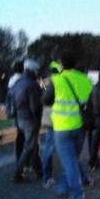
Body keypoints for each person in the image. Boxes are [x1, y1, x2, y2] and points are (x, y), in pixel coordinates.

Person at [43, 51, 94, 199]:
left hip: (61, 127)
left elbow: (45, 100)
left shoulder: (57, 80)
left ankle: (78, 194)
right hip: (79, 126)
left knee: (69, 161)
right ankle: (65, 186)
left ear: (62, 65)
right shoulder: (85, 80)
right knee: (72, 160)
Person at [10, 59, 43, 182]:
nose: (37, 73)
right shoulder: (33, 85)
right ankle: (18, 173)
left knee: (32, 145)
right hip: (30, 119)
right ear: (33, 71)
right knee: (30, 146)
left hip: (19, 118)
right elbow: (35, 106)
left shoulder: (18, 82)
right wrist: (39, 117)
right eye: (37, 71)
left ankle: (40, 170)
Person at [41, 61, 62, 189]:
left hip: (49, 119)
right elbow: (46, 99)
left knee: (49, 147)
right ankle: (47, 177)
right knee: (51, 148)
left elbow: (43, 99)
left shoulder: (45, 82)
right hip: (57, 118)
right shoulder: (55, 83)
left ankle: (47, 176)